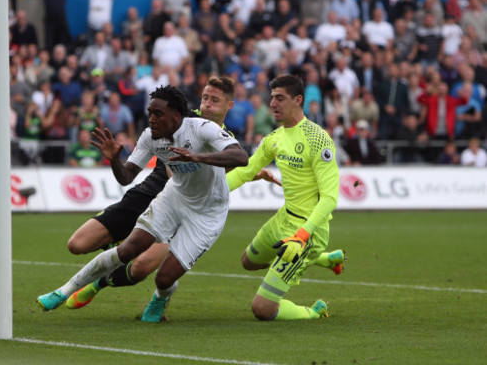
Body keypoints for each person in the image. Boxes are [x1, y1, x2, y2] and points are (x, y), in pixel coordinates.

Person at [36, 85, 250, 322]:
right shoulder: (150, 137)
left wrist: (198, 157)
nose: (152, 119)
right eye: (150, 113)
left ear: (176, 117)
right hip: (174, 198)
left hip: (208, 214)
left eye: (158, 114)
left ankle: (160, 297)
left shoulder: (202, 129)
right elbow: (126, 177)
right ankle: (62, 292)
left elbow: (241, 157)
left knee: (164, 278)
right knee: (127, 250)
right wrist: (115, 160)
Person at [224, 74, 343, 321]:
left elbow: (330, 198)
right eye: (272, 98)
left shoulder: (318, 139)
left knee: (263, 309)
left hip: (307, 231)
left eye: (280, 98)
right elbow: (245, 171)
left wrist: (302, 235)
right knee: (248, 261)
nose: (272, 104)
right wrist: (211, 193)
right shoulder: (274, 138)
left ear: (298, 100)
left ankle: (314, 311)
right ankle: (324, 260)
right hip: (283, 219)